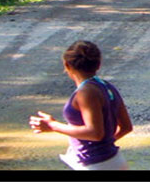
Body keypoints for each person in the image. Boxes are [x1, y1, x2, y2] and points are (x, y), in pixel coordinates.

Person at [30, 40, 133, 170]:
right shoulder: (107, 86)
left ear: (66, 65)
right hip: (115, 160)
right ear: (98, 64)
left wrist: (52, 125)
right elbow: (126, 127)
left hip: (96, 165)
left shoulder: (86, 93)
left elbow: (95, 133)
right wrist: (105, 145)